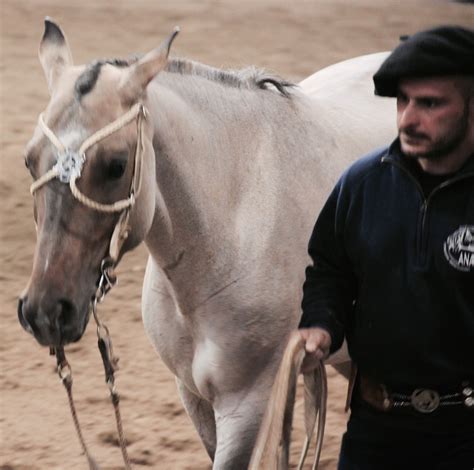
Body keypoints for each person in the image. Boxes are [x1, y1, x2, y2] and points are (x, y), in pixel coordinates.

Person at [298, 25, 474, 470]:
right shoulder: (361, 182)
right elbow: (330, 270)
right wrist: (320, 323)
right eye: (403, 101)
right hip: (374, 429)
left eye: (430, 103)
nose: (407, 119)